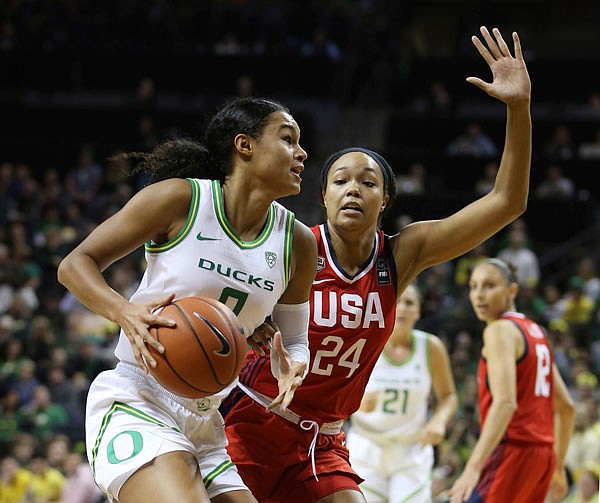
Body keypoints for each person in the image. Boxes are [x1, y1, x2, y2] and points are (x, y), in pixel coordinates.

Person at [223, 26, 534, 502]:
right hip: (252, 422)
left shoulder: (401, 253)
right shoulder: (291, 244)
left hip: (321, 440)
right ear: (323, 196)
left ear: (384, 199)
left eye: (367, 183)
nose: (353, 188)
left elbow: (507, 201)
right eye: (340, 180)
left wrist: (518, 108)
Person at [56, 96, 318, 503]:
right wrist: (124, 312)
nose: (301, 153)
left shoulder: (298, 242)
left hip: (204, 420)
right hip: (137, 396)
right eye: (288, 139)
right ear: (244, 145)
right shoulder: (181, 200)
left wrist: (293, 364)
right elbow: (75, 265)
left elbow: (297, 340)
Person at [448, 259, 576, 503]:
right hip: (542, 456)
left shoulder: (499, 330)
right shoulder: (536, 332)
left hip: (511, 451)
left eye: (489, 286)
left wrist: (472, 468)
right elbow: (566, 407)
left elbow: (506, 403)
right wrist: (558, 467)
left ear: (512, 291)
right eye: (473, 286)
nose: (479, 295)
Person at [344, 283, 457, 502]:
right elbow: (333, 393)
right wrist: (354, 402)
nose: (403, 308)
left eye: (410, 303)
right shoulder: (363, 341)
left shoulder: (431, 347)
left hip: (410, 450)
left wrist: (439, 421)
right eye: (398, 301)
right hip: (366, 448)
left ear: (419, 311)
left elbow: (449, 396)